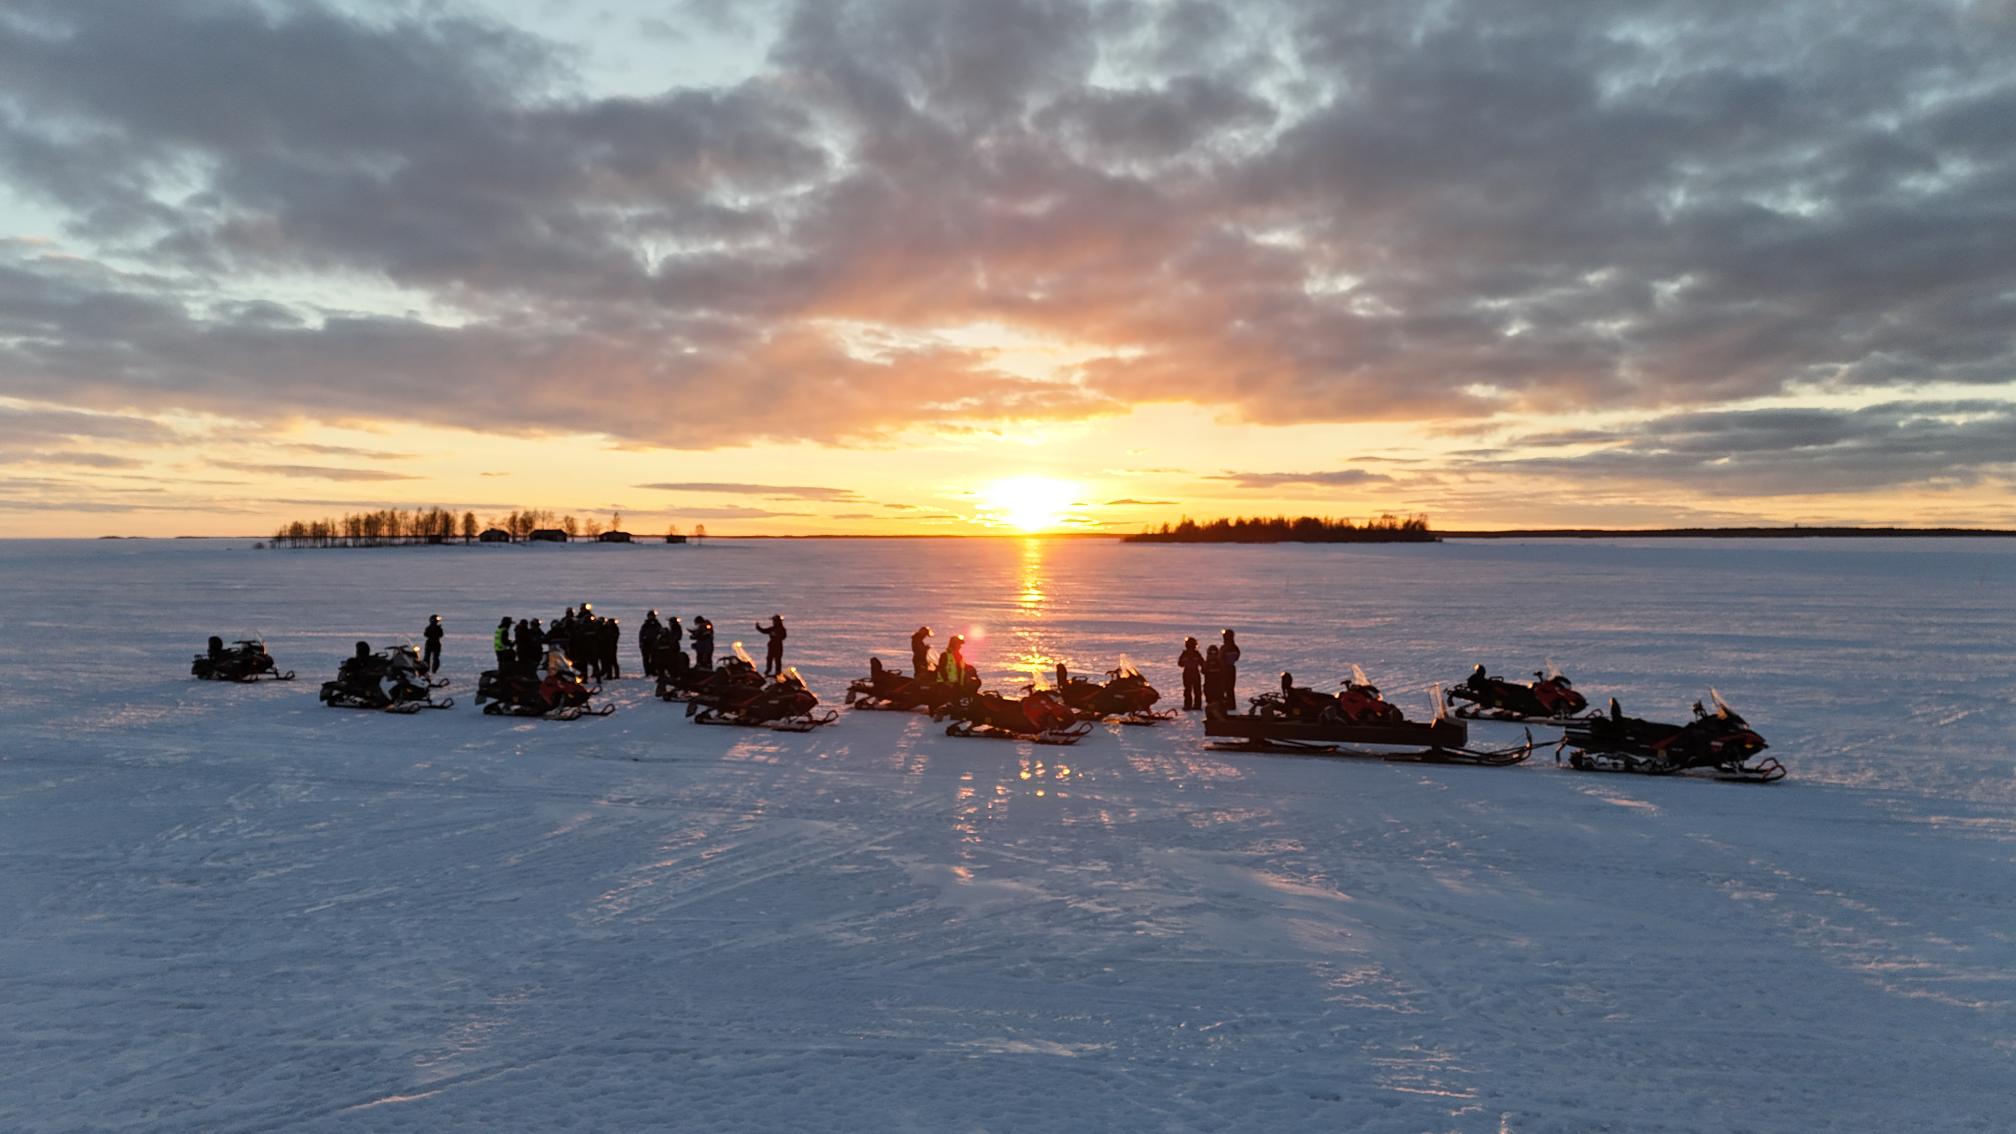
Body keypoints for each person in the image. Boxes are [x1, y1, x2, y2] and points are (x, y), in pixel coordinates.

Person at [1177, 636, 1204, 710]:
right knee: (1194, 690)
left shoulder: (1187, 654)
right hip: (1192, 672)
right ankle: (1196, 705)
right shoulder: (1195, 654)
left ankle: (1189, 705)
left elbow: (1180, 664)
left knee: (1189, 689)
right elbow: (1202, 663)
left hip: (1189, 672)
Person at [1202, 645, 1227, 716]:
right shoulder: (1216, 662)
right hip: (1213, 686)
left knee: (1216, 702)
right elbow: (1203, 670)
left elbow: (1203, 670)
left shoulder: (1218, 662)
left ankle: (1216, 716)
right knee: (1215, 702)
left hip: (1215, 686)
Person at [1219, 629, 1241, 708]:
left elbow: (1220, 658)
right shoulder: (1235, 647)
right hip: (1231, 668)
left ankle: (1226, 704)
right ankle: (1231, 704)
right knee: (1230, 688)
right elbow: (1237, 656)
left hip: (1225, 669)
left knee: (1225, 687)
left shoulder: (1225, 647)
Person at [640, 611, 663, 678]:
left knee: (654, 658)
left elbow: (661, 633)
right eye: (650, 616)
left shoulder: (657, 624)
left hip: (654, 643)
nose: (651, 617)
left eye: (652, 616)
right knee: (646, 659)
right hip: (646, 643)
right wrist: (641, 642)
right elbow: (641, 634)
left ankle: (653, 671)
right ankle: (648, 672)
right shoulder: (645, 624)